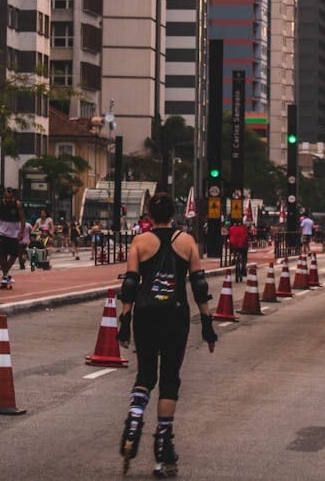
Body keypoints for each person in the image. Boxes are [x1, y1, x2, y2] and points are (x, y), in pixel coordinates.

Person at [116, 192, 215, 477]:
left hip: (145, 312)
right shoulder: (186, 242)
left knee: (146, 375)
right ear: (174, 214)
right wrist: (207, 324)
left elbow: (131, 284)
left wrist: (125, 320)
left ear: (149, 215)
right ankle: (162, 447)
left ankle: (134, 419)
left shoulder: (139, 242)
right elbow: (198, 285)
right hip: (176, 313)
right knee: (169, 378)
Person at [0, 190, 27, 288]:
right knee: (1, 255)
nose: (8, 199)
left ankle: (5, 273)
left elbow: (22, 219)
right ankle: (5, 276)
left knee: (14, 254)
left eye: (10, 197)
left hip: (13, 233)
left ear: (13, 197)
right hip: (0, 232)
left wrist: (21, 231)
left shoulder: (18, 205)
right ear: (3, 197)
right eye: (6, 197)